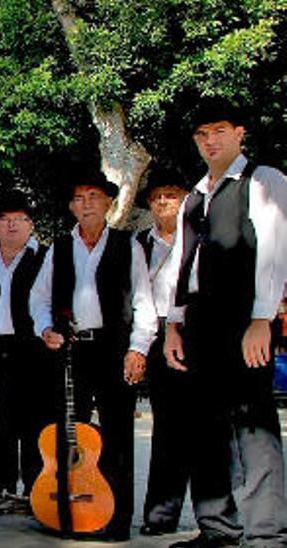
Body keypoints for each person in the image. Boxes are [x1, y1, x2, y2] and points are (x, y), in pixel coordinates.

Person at [161, 100, 287, 548]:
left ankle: (268, 533)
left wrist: (262, 319)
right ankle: (218, 527)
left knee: (253, 425)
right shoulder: (193, 196)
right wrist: (172, 325)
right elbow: (181, 264)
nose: (209, 141)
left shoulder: (263, 180)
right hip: (197, 322)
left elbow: (274, 252)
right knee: (204, 427)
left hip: (242, 318)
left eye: (218, 131)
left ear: (238, 132)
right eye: (201, 134)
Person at [40, 170, 156, 542]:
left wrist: (138, 347)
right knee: (68, 435)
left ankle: (117, 520)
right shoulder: (58, 247)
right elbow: (37, 299)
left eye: (94, 196)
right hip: (71, 350)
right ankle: (68, 512)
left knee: (117, 436)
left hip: (114, 349)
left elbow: (143, 301)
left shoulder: (127, 245)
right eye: (79, 197)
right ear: (71, 206)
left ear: (108, 203)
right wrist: (45, 329)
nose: (86, 204)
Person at [0, 192, 53, 497]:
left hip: (33, 351)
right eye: (4, 219)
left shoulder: (46, 258)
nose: (11, 225)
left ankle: (35, 488)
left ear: (30, 224)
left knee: (34, 420)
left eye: (19, 219)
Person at [134, 164, 197, 536]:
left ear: (184, 199)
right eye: (156, 197)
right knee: (167, 429)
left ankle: (222, 514)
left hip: (195, 335)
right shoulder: (139, 243)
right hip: (154, 335)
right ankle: (160, 514)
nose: (162, 203)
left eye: (170, 196)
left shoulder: (200, 238)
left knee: (207, 428)